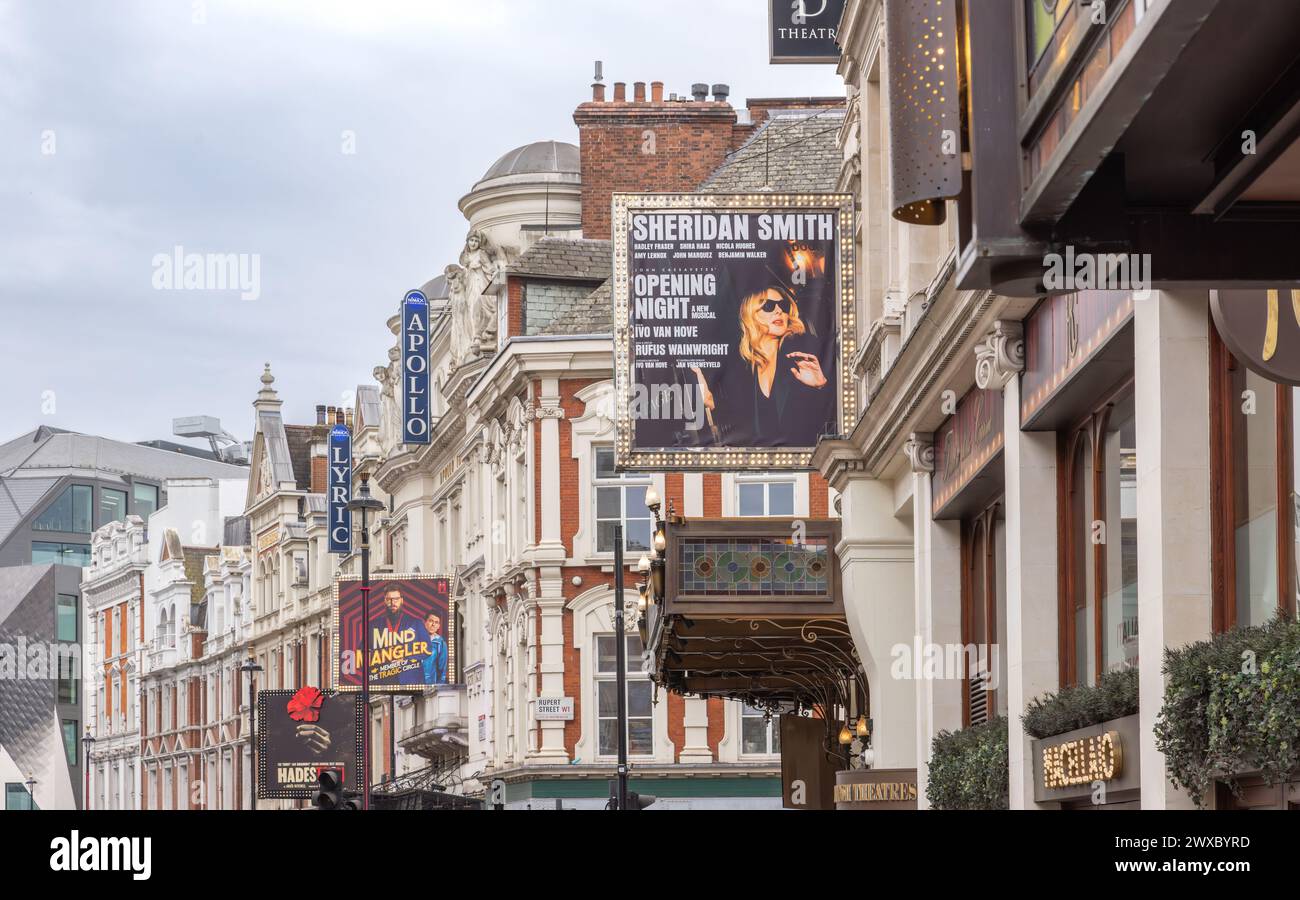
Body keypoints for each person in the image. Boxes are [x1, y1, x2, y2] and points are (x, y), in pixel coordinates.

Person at [690, 284, 835, 448]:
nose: (779, 311)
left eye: (783, 305)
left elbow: (831, 416)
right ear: (751, 316)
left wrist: (821, 386)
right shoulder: (744, 369)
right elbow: (739, 424)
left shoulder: (804, 350)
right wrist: (709, 399)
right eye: (768, 306)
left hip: (808, 459)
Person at [373, 587, 431, 686]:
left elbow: (428, 649)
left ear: (402, 600)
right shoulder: (375, 624)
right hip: (385, 679)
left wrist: (405, 657)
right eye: (389, 599)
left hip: (411, 681)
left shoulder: (416, 623)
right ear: (384, 601)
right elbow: (362, 651)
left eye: (396, 599)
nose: (393, 603)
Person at [422, 613, 449, 684]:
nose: (433, 624)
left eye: (436, 622)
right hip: (412, 682)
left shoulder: (440, 643)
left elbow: (442, 669)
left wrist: (439, 686)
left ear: (438, 626)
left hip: (430, 684)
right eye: (431, 621)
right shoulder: (413, 638)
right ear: (425, 622)